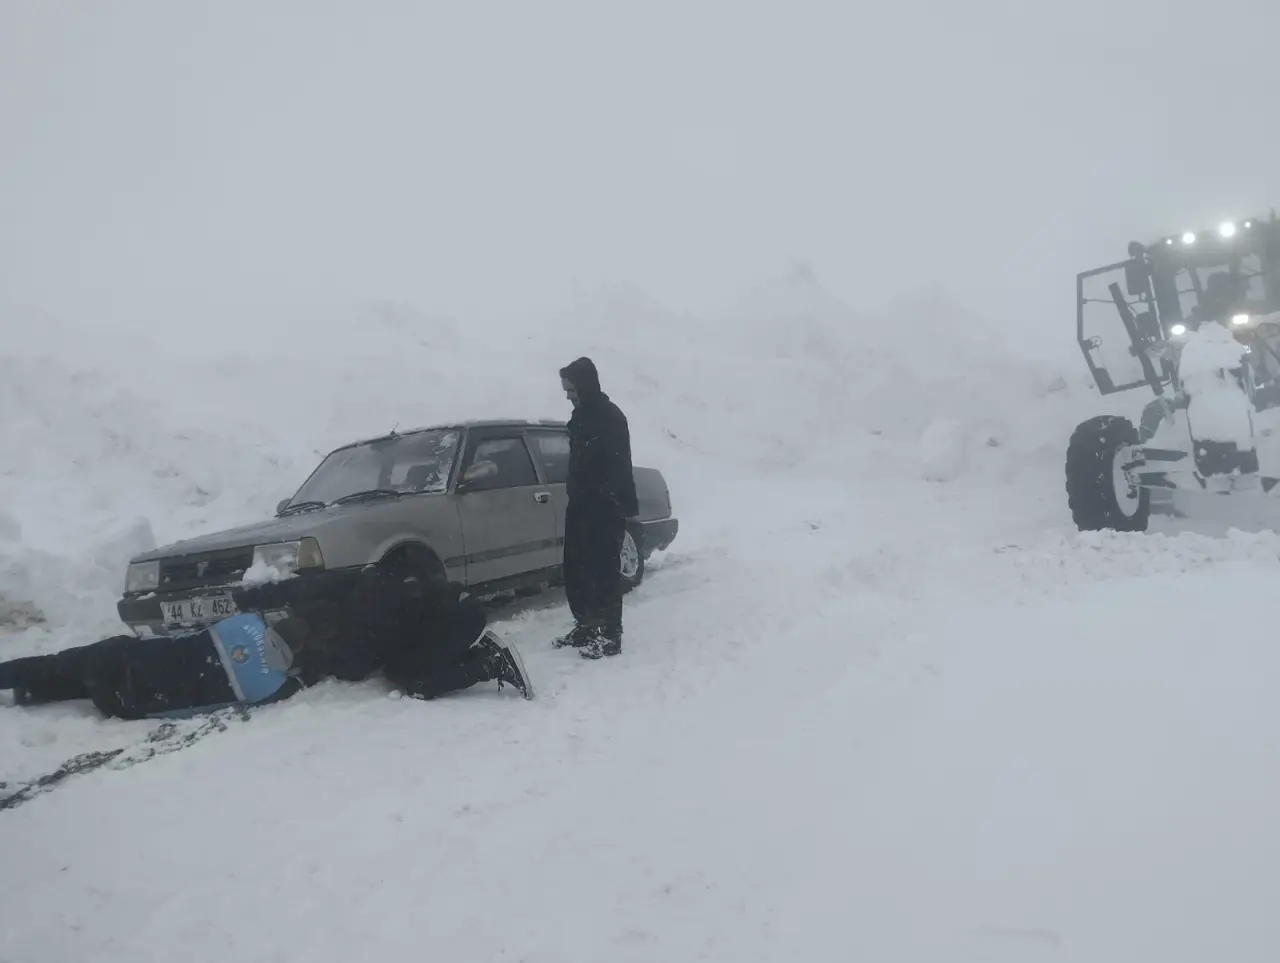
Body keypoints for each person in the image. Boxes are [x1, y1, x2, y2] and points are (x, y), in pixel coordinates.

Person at [0, 566, 533, 719]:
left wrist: (267, 605)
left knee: (418, 681)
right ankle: (23, 687)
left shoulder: (381, 613)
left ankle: (488, 662)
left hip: (455, 626)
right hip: (129, 675)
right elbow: (321, 591)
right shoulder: (371, 598)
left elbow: (390, 664)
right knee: (77, 669)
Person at [554, 356, 639, 659]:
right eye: (566, 390)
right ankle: (587, 625)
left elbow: (617, 465)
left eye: (572, 390)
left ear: (587, 386)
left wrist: (605, 498)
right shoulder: (580, 417)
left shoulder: (610, 417)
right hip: (580, 505)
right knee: (576, 569)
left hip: (604, 507)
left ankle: (610, 635)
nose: (568, 396)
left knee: (603, 571)